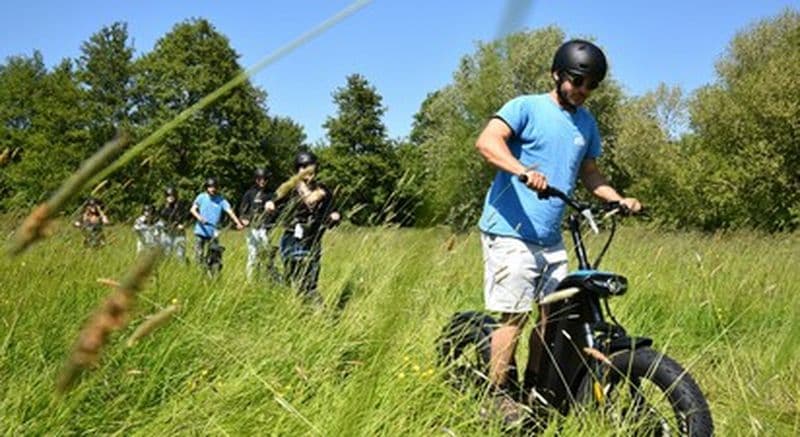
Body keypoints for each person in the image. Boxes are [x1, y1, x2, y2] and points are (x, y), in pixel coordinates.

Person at [474, 39, 642, 422]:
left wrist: (616, 199)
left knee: (553, 322)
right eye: (577, 81)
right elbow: (487, 142)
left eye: (591, 85)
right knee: (514, 316)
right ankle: (496, 396)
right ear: (557, 74)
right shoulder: (526, 107)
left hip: (551, 238)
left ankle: (535, 389)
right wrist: (522, 171)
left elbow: (590, 173)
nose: (583, 90)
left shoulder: (586, 123)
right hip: (510, 231)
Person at [277, 151, 340, 303]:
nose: (306, 171)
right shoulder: (290, 189)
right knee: (291, 279)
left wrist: (335, 217)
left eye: (310, 167)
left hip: (312, 239)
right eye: (302, 167)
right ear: (297, 170)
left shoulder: (323, 190)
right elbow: (274, 201)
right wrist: (270, 204)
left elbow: (331, 211)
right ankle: (293, 307)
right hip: (292, 237)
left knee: (310, 283)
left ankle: (315, 314)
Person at [190, 177, 244, 267]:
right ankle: (199, 272)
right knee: (198, 255)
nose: (212, 189)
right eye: (210, 187)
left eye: (214, 187)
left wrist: (238, 222)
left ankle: (211, 273)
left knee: (214, 257)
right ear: (207, 187)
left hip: (213, 232)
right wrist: (200, 218)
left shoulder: (221, 200)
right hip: (201, 231)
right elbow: (192, 210)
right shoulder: (201, 197)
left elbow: (230, 211)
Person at [239, 167, 279, 280]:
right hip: (252, 229)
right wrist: (244, 219)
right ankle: (251, 280)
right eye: (260, 179)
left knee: (267, 255)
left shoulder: (271, 194)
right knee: (253, 255)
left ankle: (267, 278)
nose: (262, 181)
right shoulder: (249, 193)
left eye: (265, 179)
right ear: (256, 179)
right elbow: (243, 209)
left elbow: (278, 211)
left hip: (265, 228)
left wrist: (273, 210)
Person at [158, 186, 190, 261]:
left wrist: (184, 225)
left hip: (179, 234)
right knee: (166, 254)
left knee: (180, 255)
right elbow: (159, 220)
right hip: (167, 234)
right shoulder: (162, 208)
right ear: (165, 197)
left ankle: (183, 269)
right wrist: (165, 225)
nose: (170, 198)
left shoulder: (181, 206)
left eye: (172, 196)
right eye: (168, 196)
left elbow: (189, 218)